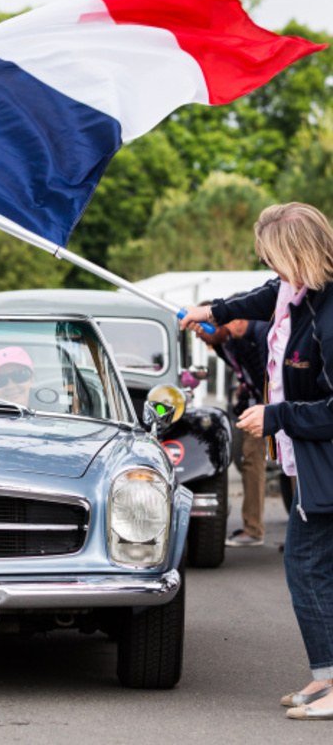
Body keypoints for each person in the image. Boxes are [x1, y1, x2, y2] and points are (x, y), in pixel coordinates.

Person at [180, 202, 333, 720]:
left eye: (273, 258)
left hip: (323, 459)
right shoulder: (298, 289)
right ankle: (327, 677)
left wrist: (277, 415)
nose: (270, 270)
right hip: (312, 462)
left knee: (308, 567)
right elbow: (267, 297)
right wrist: (215, 311)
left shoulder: (329, 316)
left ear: (296, 254)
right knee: (312, 566)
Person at [196, 311, 270, 547]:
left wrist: (270, 406)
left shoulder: (248, 337)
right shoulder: (223, 345)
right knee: (251, 461)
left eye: (202, 329)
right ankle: (253, 528)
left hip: (269, 406)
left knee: (280, 464)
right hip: (256, 404)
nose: (200, 336)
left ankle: (257, 529)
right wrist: (245, 384)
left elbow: (268, 374)